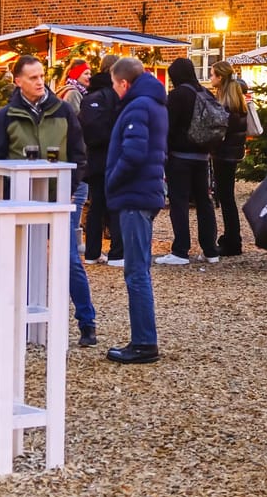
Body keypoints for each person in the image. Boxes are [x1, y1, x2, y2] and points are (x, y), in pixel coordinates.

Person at [0, 55, 96, 346]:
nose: (39, 82)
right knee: (17, 259)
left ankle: (87, 323)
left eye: (41, 76)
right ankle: (15, 322)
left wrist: (69, 188)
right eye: (32, 77)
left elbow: (78, 153)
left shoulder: (63, 111)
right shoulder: (5, 116)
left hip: (58, 194)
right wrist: (5, 194)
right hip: (19, 198)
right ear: (18, 81)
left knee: (69, 258)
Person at [104, 56, 167, 365]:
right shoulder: (153, 102)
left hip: (134, 195)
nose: (115, 91)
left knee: (136, 271)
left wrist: (112, 181)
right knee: (139, 268)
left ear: (124, 83)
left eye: (115, 85)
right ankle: (144, 339)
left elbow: (133, 152)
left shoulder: (138, 106)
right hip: (145, 193)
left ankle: (144, 342)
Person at [160, 57, 219, 265]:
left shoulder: (177, 96)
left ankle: (181, 250)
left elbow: (168, 126)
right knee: (204, 202)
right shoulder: (205, 93)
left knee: (179, 202)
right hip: (203, 156)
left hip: (180, 156)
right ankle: (211, 250)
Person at [80, 55, 123, 266]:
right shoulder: (117, 95)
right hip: (115, 156)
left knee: (96, 205)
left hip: (95, 158)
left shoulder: (88, 97)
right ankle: (117, 253)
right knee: (115, 204)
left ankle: (92, 252)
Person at [210, 61, 250, 257]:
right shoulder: (238, 102)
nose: (210, 79)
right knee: (228, 197)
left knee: (226, 198)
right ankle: (233, 237)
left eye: (213, 75)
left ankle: (233, 240)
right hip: (232, 153)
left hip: (224, 154)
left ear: (220, 78)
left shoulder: (225, 105)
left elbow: (219, 132)